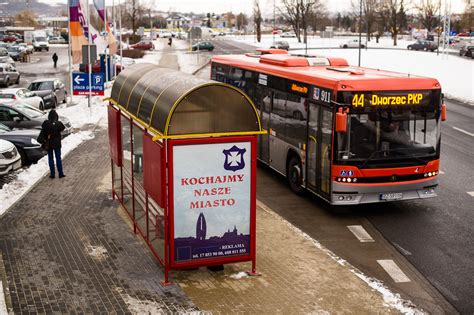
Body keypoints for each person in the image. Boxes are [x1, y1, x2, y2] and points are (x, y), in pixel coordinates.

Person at [39, 110, 65, 178]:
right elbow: (63, 128)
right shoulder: (58, 123)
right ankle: (61, 173)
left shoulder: (46, 123)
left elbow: (43, 131)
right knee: (58, 158)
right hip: (57, 144)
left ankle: (52, 174)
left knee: (50, 158)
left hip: (49, 144)